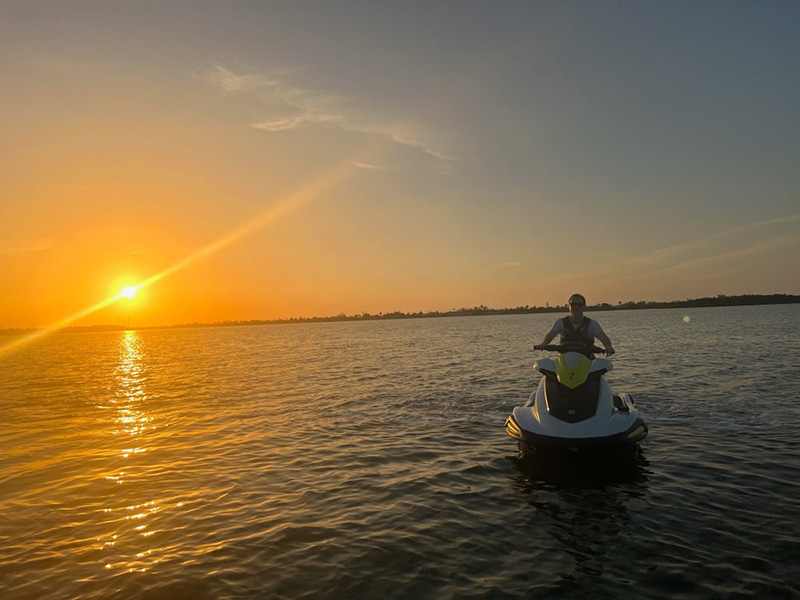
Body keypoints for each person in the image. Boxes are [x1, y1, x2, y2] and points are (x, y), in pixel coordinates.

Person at [536, 293, 615, 356]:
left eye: (579, 304)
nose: (576, 307)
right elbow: (551, 334)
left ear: (584, 307)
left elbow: (603, 336)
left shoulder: (592, 324)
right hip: (564, 362)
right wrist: (544, 344)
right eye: (573, 304)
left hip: (587, 361)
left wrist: (608, 346)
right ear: (568, 306)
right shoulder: (561, 323)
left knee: (601, 368)